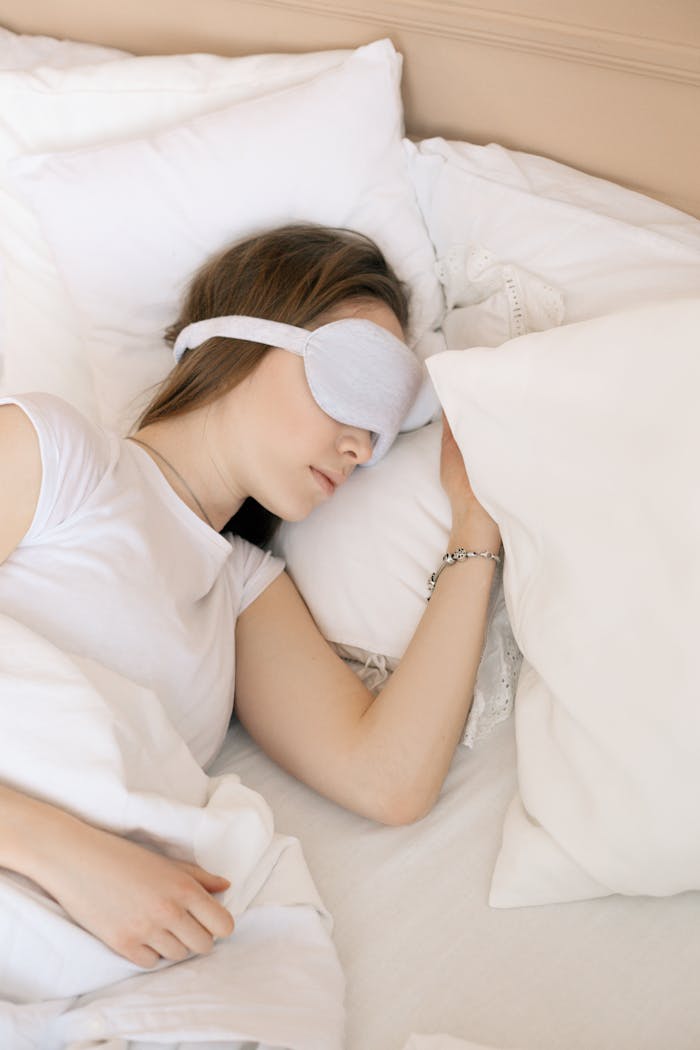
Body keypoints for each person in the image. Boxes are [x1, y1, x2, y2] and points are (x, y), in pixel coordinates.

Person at [0, 222, 501, 971]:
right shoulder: (61, 456)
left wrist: (476, 524)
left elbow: (389, 779)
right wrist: (66, 853)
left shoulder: (243, 590)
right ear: (240, 331)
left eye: (385, 428)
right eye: (358, 384)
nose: (363, 446)